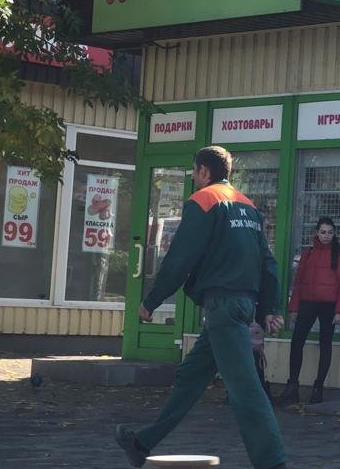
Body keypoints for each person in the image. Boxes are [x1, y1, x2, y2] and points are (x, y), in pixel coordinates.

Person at [115, 145, 288, 469]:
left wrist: (151, 301)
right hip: (241, 305)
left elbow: (181, 257)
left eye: (194, 171)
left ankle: (273, 462)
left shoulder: (203, 201)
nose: (194, 177)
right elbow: (268, 262)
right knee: (190, 376)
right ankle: (142, 443)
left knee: (246, 390)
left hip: (222, 306)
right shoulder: (248, 206)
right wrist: (269, 308)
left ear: (204, 171)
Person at [276, 216, 340, 405]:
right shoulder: (308, 253)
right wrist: (294, 308)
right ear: (317, 233)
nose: (326, 236)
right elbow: (298, 282)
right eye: (323, 232)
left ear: (334, 234)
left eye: (330, 232)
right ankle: (292, 386)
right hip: (307, 303)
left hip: (329, 306)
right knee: (296, 342)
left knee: (325, 345)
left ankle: (318, 388)